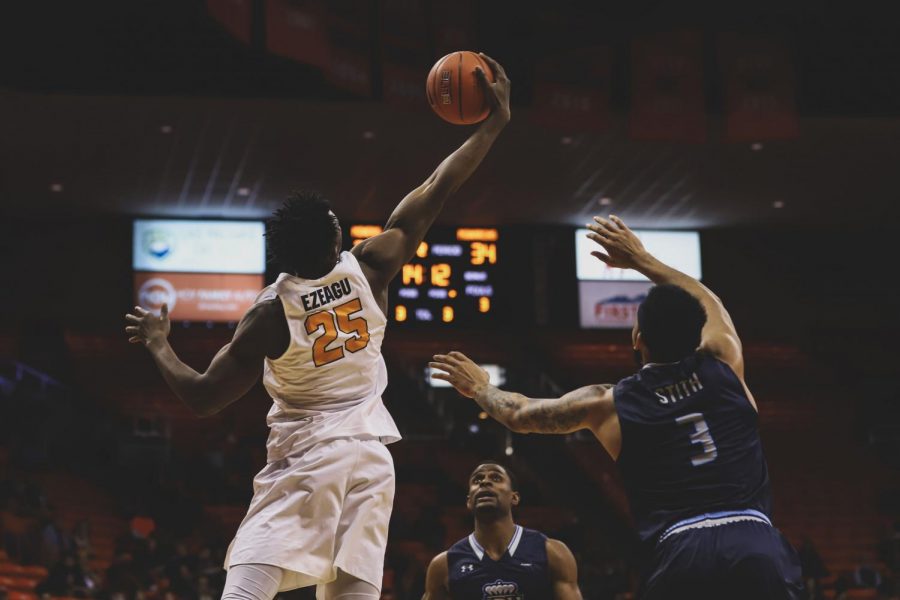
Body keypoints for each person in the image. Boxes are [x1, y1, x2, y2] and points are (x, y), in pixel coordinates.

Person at [125, 54, 511, 600]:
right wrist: (495, 123)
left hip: (307, 457)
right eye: (335, 221)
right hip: (372, 460)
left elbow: (204, 397)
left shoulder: (270, 314)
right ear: (334, 242)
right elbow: (437, 185)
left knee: (247, 585)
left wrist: (160, 345)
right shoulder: (372, 266)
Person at [429, 215, 804, 599]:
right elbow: (710, 301)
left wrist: (478, 387)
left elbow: (519, 415)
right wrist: (642, 260)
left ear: (637, 338)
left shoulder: (608, 402)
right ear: (697, 333)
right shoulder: (724, 362)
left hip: (682, 550)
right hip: (754, 540)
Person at [423, 462, 581, 599]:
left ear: (514, 497)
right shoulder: (444, 565)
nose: (484, 482)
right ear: (469, 501)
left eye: (496, 478)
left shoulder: (552, 552)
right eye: (477, 480)